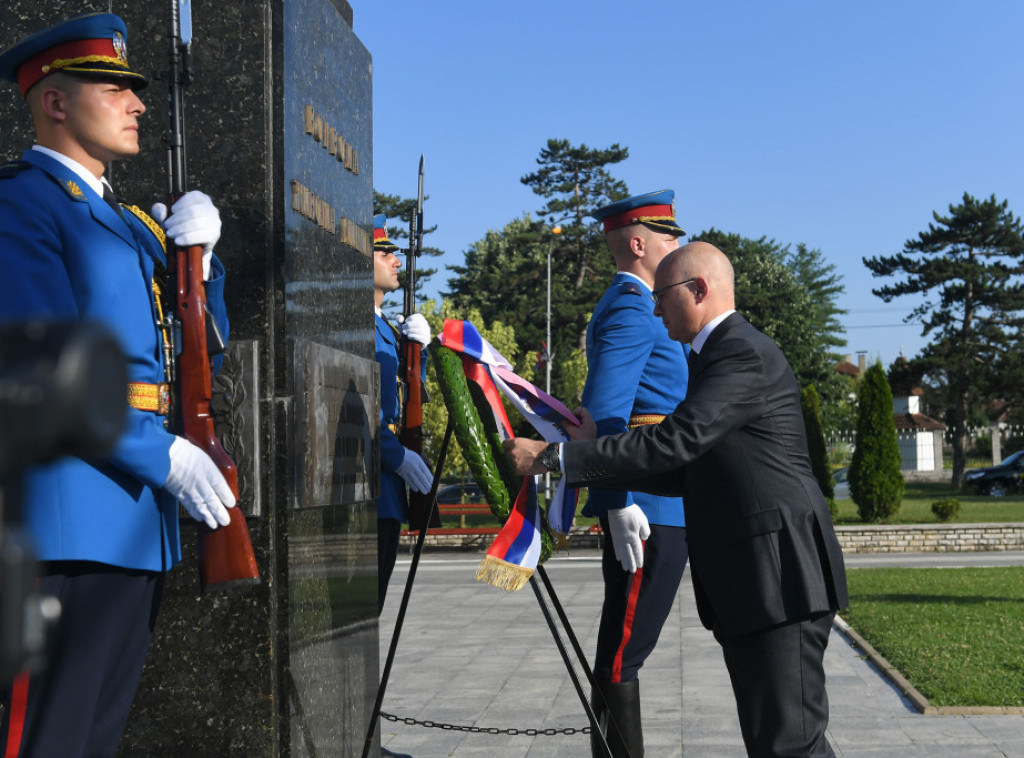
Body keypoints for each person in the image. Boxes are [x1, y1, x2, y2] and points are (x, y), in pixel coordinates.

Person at [506, 241, 849, 758]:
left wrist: (556, 458)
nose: (654, 309)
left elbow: (675, 442)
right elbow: (689, 469)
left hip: (780, 577)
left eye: (661, 295)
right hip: (759, 582)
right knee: (776, 744)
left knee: (790, 745)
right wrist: (592, 462)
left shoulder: (739, 352)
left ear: (699, 290)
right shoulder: (713, 357)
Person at [0, 13, 235, 757]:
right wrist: (159, 454)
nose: (137, 104)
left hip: (134, 524)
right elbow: (41, 365)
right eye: (114, 89)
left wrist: (203, 265)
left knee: (94, 737)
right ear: (54, 101)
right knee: (49, 740)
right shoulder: (22, 205)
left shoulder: (130, 225)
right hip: (66, 524)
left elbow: (201, 350)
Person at [581, 190, 690, 758]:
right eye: (670, 238)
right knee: (624, 653)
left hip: (662, 499)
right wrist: (617, 498)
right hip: (649, 507)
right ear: (640, 244)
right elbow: (606, 413)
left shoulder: (641, 304)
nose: (678, 247)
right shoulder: (632, 307)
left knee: (623, 649)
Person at [372, 214, 433, 613]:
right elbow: (360, 407)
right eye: (385, 253)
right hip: (371, 480)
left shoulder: (385, 328)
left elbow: (410, 395)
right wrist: (395, 455)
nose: (396, 262)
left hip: (388, 487)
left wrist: (418, 354)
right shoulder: (358, 326)